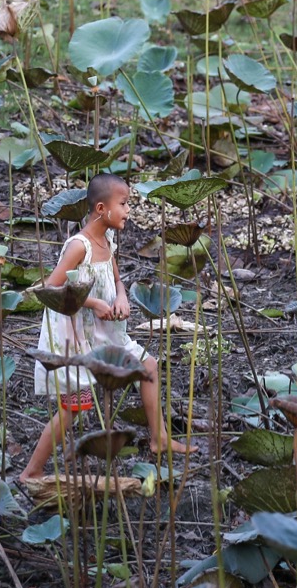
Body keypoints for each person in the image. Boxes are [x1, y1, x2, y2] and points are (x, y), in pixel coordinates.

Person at [20, 172, 195, 484]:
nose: (129, 211)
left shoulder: (107, 240)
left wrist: (121, 296)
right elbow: (50, 288)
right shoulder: (79, 246)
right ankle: (31, 471)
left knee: (149, 365)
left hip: (107, 332)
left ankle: (159, 439)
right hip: (77, 336)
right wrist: (94, 304)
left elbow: (115, 278)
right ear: (102, 209)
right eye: (124, 204)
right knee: (74, 408)